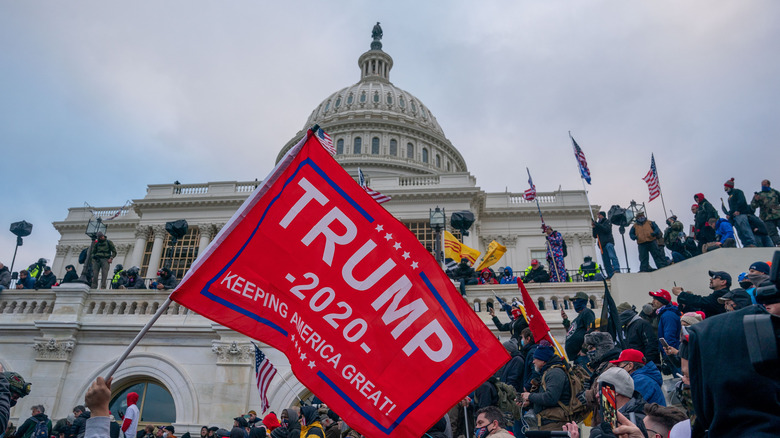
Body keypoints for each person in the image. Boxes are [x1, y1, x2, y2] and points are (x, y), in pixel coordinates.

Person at [519, 341, 571, 432]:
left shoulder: (555, 373)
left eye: (535, 359)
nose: (533, 361)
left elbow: (551, 398)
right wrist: (529, 402)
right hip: (549, 423)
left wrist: (530, 396)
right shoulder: (547, 372)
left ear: (543, 360)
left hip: (555, 424)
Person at [588, 367, 648, 438]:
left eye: (600, 391)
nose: (597, 395)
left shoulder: (635, 420)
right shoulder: (641, 412)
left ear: (614, 391)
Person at [648, 290, 680, 367]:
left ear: (662, 301)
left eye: (655, 299)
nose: (653, 301)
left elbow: (669, 337)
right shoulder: (664, 314)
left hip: (674, 356)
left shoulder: (668, 315)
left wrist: (669, 358)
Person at [722, 177, 757, 246]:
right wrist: (730, 214)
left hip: (741, 215)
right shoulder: (729, 197)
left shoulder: (737, 192)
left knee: (745, 230)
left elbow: (742, 201)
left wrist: (738, 210)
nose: (724, 188)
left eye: (725, 186)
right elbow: (732, 208)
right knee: (740, 232)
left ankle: (751, 243)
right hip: (735, 217)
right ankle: (745, 244)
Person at [562, 291, 596, 360]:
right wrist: (565, 320)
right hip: (576, 357)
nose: (573, 303)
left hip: (583, 356)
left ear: (581, 301)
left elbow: (591, 331)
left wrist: (584, 349)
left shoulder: (587, 312)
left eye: (575, 300)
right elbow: (570, 332)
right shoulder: (577, 318)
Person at [750, 179, 780, 246]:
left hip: (778, 215)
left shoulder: (775, 192)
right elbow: (753, 206)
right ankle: (778, 243)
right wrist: (756, 200)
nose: (763, 186)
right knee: (772, 232)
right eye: (762, 185)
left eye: (765, 185)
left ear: (768, 185)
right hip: (766, 217)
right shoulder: (759, 195)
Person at [592, 211, 620, 278]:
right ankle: (610, 274)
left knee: (612, 257)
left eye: (599, 215)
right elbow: (595, 235)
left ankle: (616, 269)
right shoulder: (598, 225)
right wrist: (594, 228)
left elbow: (606, 229)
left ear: (602, 215)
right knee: (606, 261)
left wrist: (597, 224)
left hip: (608, 243)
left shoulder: (607, 222)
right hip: (602, 245)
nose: (598, 217)